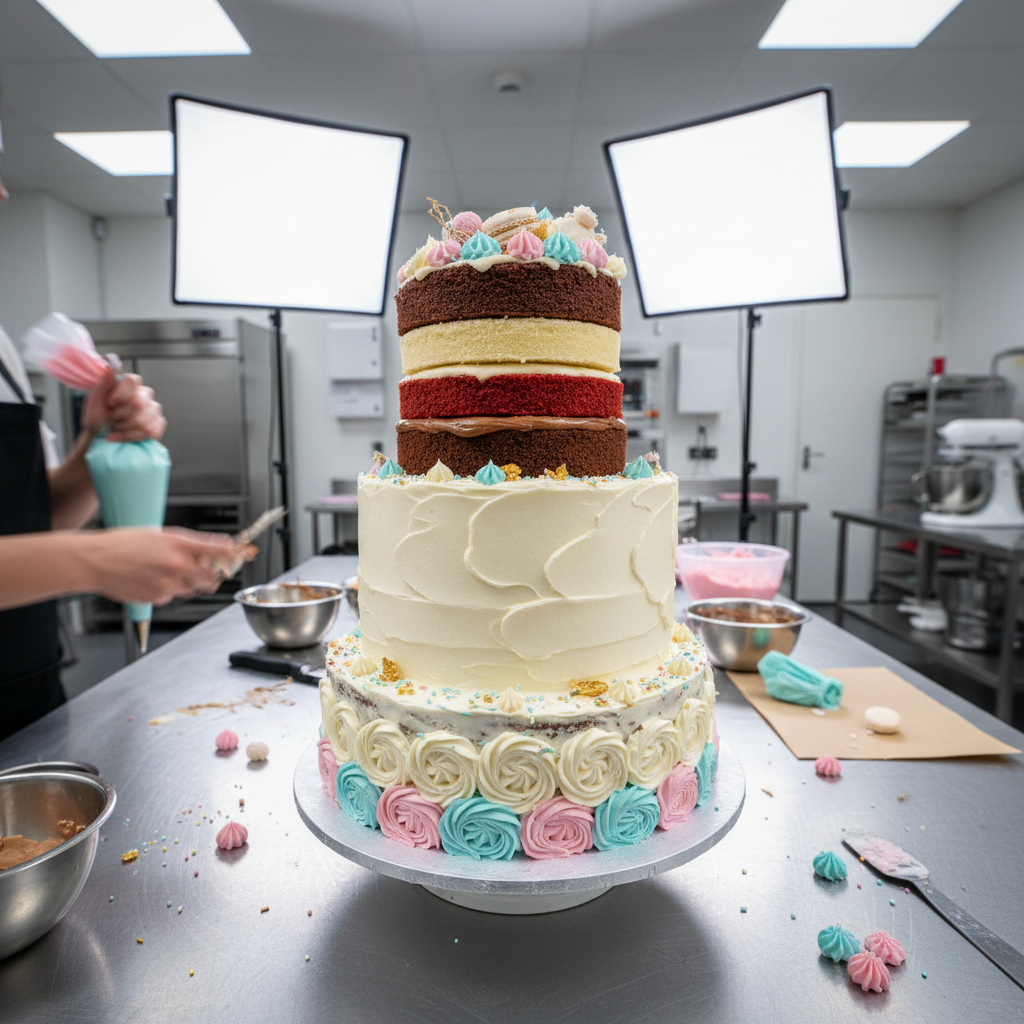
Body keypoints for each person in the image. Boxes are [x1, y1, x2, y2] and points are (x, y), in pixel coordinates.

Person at [0, 111, 235, 740]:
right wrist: (94, 560)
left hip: (25, 693)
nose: (1, 192)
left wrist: (92, 448)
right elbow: (66, 547)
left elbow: (33, 518)